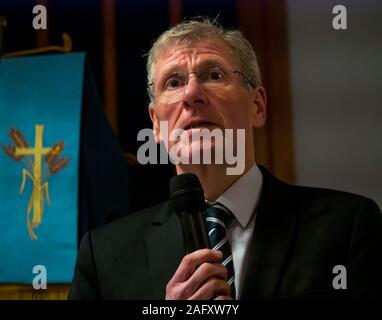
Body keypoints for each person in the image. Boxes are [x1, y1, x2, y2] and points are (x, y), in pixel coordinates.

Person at [68, 18, 382, 300]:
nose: (191, 94)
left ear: (257, 106)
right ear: (156, 125)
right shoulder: (104, 256)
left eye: (213, 75)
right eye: (174, 83)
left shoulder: (348, 227)